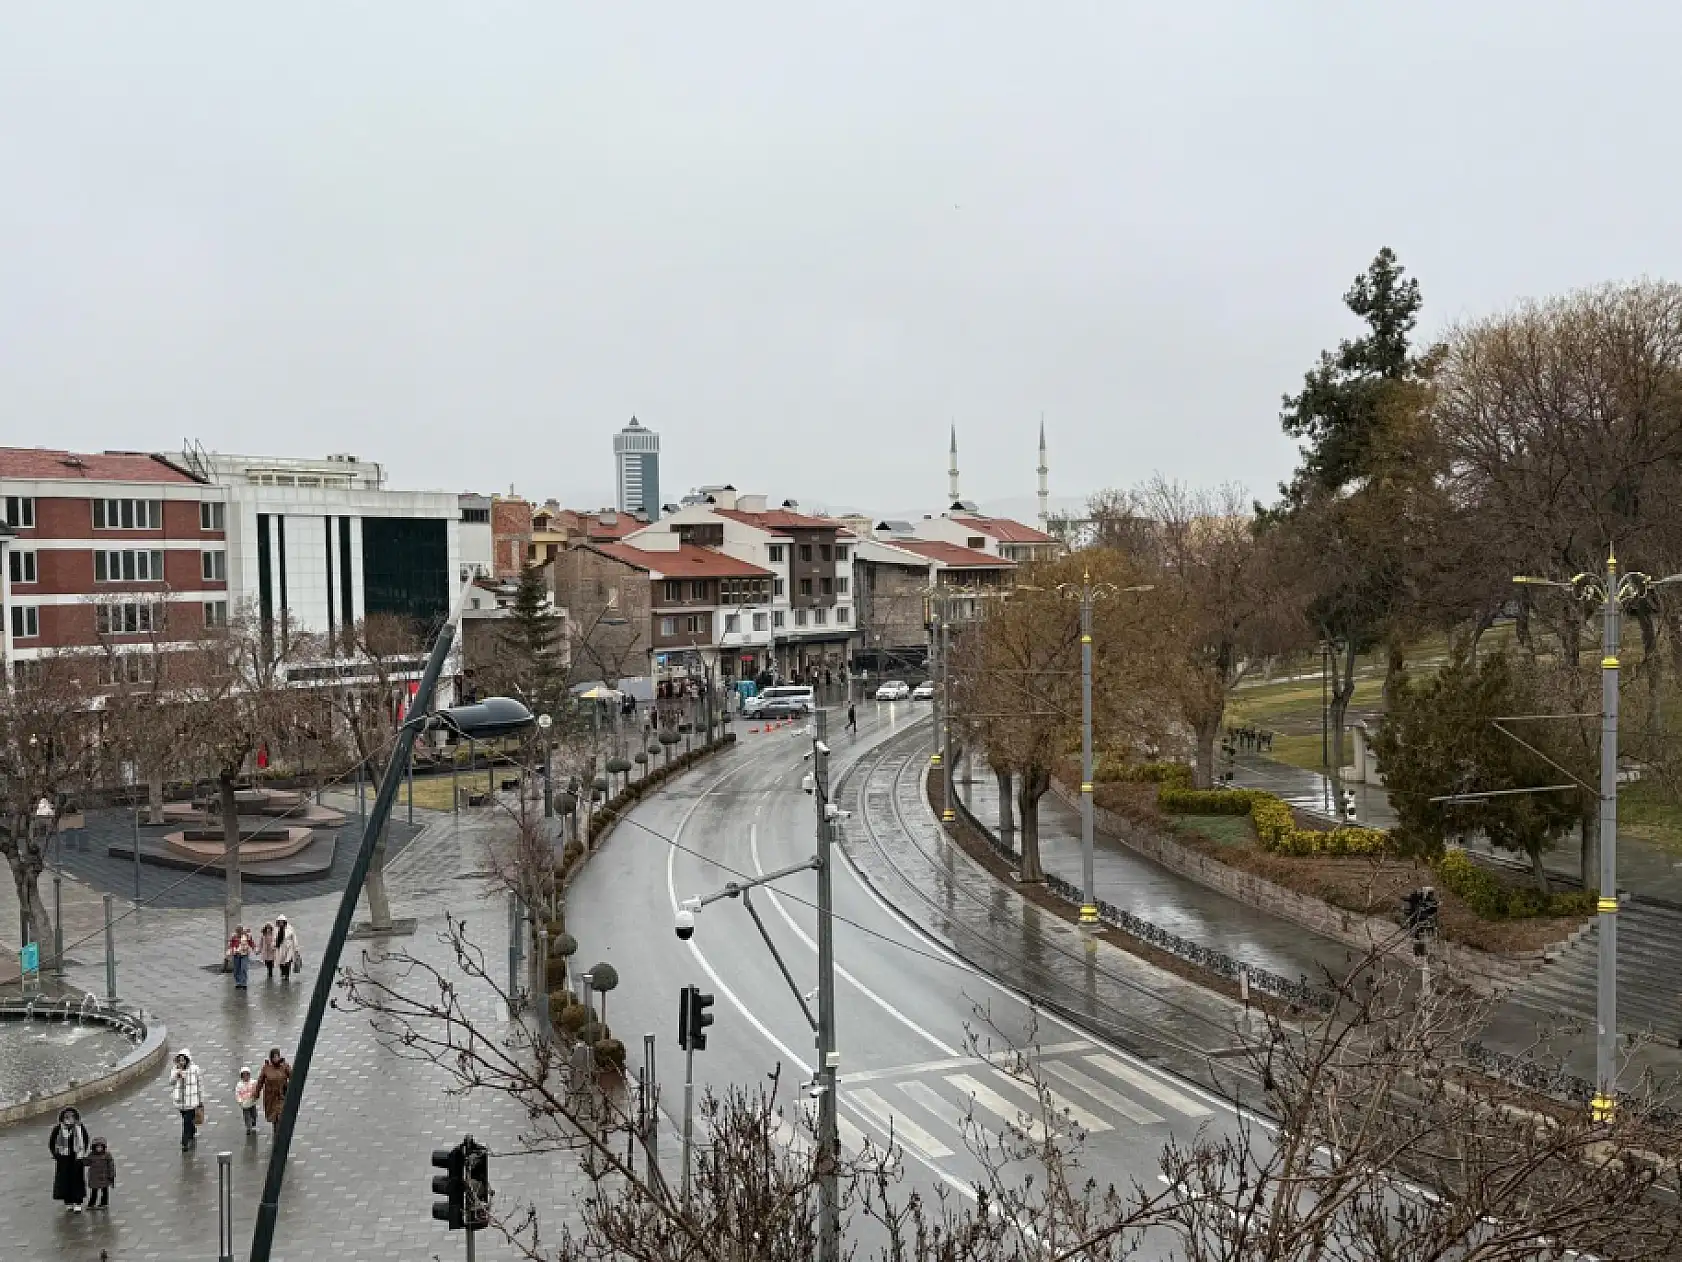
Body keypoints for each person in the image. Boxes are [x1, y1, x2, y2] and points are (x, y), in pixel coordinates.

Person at [47, 1106, 90, 1212]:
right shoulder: (58, 1129)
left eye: (71, 1117)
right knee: (65, 1181)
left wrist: (82, 1152)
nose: (69, 1119)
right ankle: (68, 1201)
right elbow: (52, 1143)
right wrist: (56, 1155)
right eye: (67, 1117)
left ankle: (78, 1202)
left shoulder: (80, 1128)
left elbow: (85, 1140)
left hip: (76, 1159)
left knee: (77, 1180)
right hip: (63, 1160)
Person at [171, 1050, 203, 1150]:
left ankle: (185, 1141)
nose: (181, 1062)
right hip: (180, 1101)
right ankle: (192, 1131)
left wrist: (200, 1100)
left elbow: (200, 1085)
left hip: (192, 1101)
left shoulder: (195, 1069)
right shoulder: (175, 1069)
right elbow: (171, 1082)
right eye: (179, 1060)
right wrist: (177, 1075)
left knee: (186, 1121)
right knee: (187, 1120)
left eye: (183, 1060)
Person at [257, 1048, 291, 1132]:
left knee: (280, 1115)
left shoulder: (284, 1066)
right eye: (274, 1057)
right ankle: (276, 1134)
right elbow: (260, 1081)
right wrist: (256, 1093)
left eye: (277, 1056)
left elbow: (292, 1076)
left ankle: (280, 1134)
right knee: (274, 1118)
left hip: (282, 1095)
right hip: (271, 1097)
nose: (276, 1059)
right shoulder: (266, 1068)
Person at [83, 1137, 115, 1210]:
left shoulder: (107, 1155)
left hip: (104, 1176)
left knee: (104, 1191)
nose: (99, 1149)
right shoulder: (91, 1155)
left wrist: (111, 1175)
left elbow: (111, 1165)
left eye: (100, 1147)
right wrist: (82, 1160)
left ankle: (104, 1203)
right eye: (97, 1147)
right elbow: (87, 1162)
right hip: (94, 1177)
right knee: (94, 1191)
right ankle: (91, 1203)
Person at [274, 915, 302, 981]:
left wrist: (296, 948)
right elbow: (274, 939)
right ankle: (283, 973)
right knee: (281, 962)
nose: (281, 923)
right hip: (280, 948)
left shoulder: (290, 928)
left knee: (288, 961)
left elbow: (294, 938)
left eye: (282, 922)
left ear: (284, 922)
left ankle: (287, 975)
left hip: (289, 948)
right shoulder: (276, 929)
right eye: (279, 922)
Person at [227, 924, 254, 989]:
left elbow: (251, 943)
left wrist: (254, 949)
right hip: (236, 954)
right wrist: (229, 953)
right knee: (236, 969)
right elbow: (230, 945)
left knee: (244, 968)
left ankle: (244, 983)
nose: (239, 932)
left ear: (242, 930)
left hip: (245, 954)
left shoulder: (247, 936)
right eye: (238, 930)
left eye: (240, 930)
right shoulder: (233, 937)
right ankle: (238, 982)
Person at [235, 1066, 259, 1133]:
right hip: (244, 1103)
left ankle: (253, 1122)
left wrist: (255, 1096)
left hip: (252, 1102)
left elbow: (257, 1088)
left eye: (247, 1075)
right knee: (246, 1116)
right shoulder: (239, 1085)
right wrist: (240, 1101)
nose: (246, 1077)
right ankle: (248, 1127)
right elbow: (237, 1093)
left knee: (254, 1114)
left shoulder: (253, 1082)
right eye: (244, 1075)